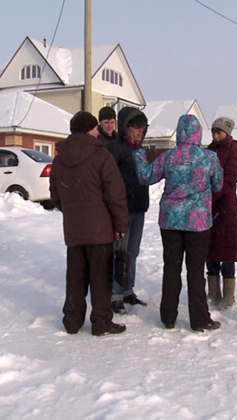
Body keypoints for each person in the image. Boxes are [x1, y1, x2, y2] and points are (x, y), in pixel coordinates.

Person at [134, 115, 223, 332]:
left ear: (179, 132)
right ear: (198, 132)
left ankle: (168, 317)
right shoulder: (209, 157)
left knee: (171, 268)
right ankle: (200, 320)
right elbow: (218, 185)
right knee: (196, 272)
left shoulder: (169, 156)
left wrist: (138, 154)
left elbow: (146, 177)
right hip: (198, 223)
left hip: (170, 221)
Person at [50, 111, 130, 337]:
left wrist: (74, 212)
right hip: (100, 230)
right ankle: (101, 322)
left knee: (75, 277)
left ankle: (72, 321)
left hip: (74, 229)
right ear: (88, 130)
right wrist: (121, 224)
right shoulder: (102, 156)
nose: (98, 132)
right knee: (100, 278)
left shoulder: (59, 160)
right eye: (95, 128)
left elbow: (55, 197)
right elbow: (115, 195)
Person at [105, 107, 150, 314]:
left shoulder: (140, 150)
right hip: (122, 210)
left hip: (138, 208)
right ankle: (115, 295)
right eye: (136, 126)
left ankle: (127, 290)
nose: (141, 130)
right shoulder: (115, 148)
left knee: (132, 252)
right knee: (119, 253)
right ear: (126, 126)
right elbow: (108, 181)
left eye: (143, 126)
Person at [206, 117, 237, 310]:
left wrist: (213, 195)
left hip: (226, 206)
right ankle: (213, 292)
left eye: (218, 132)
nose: (215, 135)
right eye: (213, 132)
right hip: (209, 206)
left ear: (227, 132)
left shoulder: (234, 150)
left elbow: (230, 177)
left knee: (227, 251)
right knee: (210, 250)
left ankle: (228, 295)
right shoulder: (209, 150)